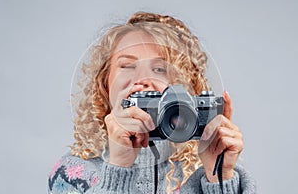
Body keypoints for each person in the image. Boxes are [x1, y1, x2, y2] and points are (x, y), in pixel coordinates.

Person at [48, 12, 256, 194]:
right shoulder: (72, 172)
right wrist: (118, 166)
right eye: (127, 65)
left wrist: (219, 180)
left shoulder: (204, 167)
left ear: (183, 88)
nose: (142, 79)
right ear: (105, 85)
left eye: (159, 69)